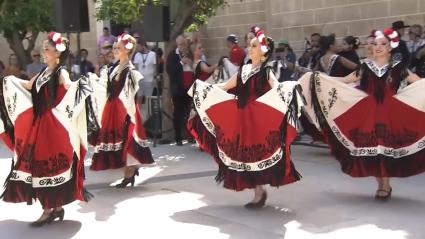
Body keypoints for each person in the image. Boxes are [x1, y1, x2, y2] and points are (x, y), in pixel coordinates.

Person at [299, 28, 425, 200]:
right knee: (374, 150)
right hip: (369, 114)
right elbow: (345, 80)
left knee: (385, 148)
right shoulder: (366, 67)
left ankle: (386, 185)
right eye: (375, 44)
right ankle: (380, 184)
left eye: (383, 44)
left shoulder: (398, 67)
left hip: (390, 114)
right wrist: (318, 78)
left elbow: (419, 83)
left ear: (390, 48)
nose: (378, 46)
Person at [188, 28, 302, 208]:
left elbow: (278, 90)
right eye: (250, 45)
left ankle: (259, 191)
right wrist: (203, 89)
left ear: (263, 53)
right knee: (245, 155)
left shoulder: (266, 72)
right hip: (242, 118)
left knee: (256, 154)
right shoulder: (244, 69)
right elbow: (225, 86)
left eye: (254, 46)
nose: (250, 48)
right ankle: (259, 191)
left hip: (257, 121)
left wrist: (290, 89)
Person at [0, 32, 91, 226]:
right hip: (39, 123)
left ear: (57, 53)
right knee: (38, 164)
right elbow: (27, 84)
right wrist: (8, 81)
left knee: (45, 164)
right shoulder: (43, 72)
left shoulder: (61, 72)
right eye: (44, 49)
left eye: (47, 49)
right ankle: (55, 208)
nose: (44, 52)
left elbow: (68, 86)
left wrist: (80, 86)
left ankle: (49, 210)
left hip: (52, 126)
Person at [88, 33, 154, 187]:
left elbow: (129, 93)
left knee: (127, 139)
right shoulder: (115, 67)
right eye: (115, 47)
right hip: (113, 108)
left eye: (118, 47)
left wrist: (127, 112)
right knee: (122, 141)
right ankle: (130, 171)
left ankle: (129, 172)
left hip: (124, 109)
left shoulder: (129, 70)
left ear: (127, 50)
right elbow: (107, 87)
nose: (115, 50)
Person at [166, 35, 193, 146]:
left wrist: (191, 63)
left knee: (188, 112)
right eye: (180, 44)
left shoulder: (189, 53)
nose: (182, 46)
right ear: (177, 45)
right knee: (178, 113)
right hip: (178, 88)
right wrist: (182, 62)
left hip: (188, 87)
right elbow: (170, 70)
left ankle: (189, 135)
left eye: (184, 44)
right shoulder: (172, 55)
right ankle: (178, 138)